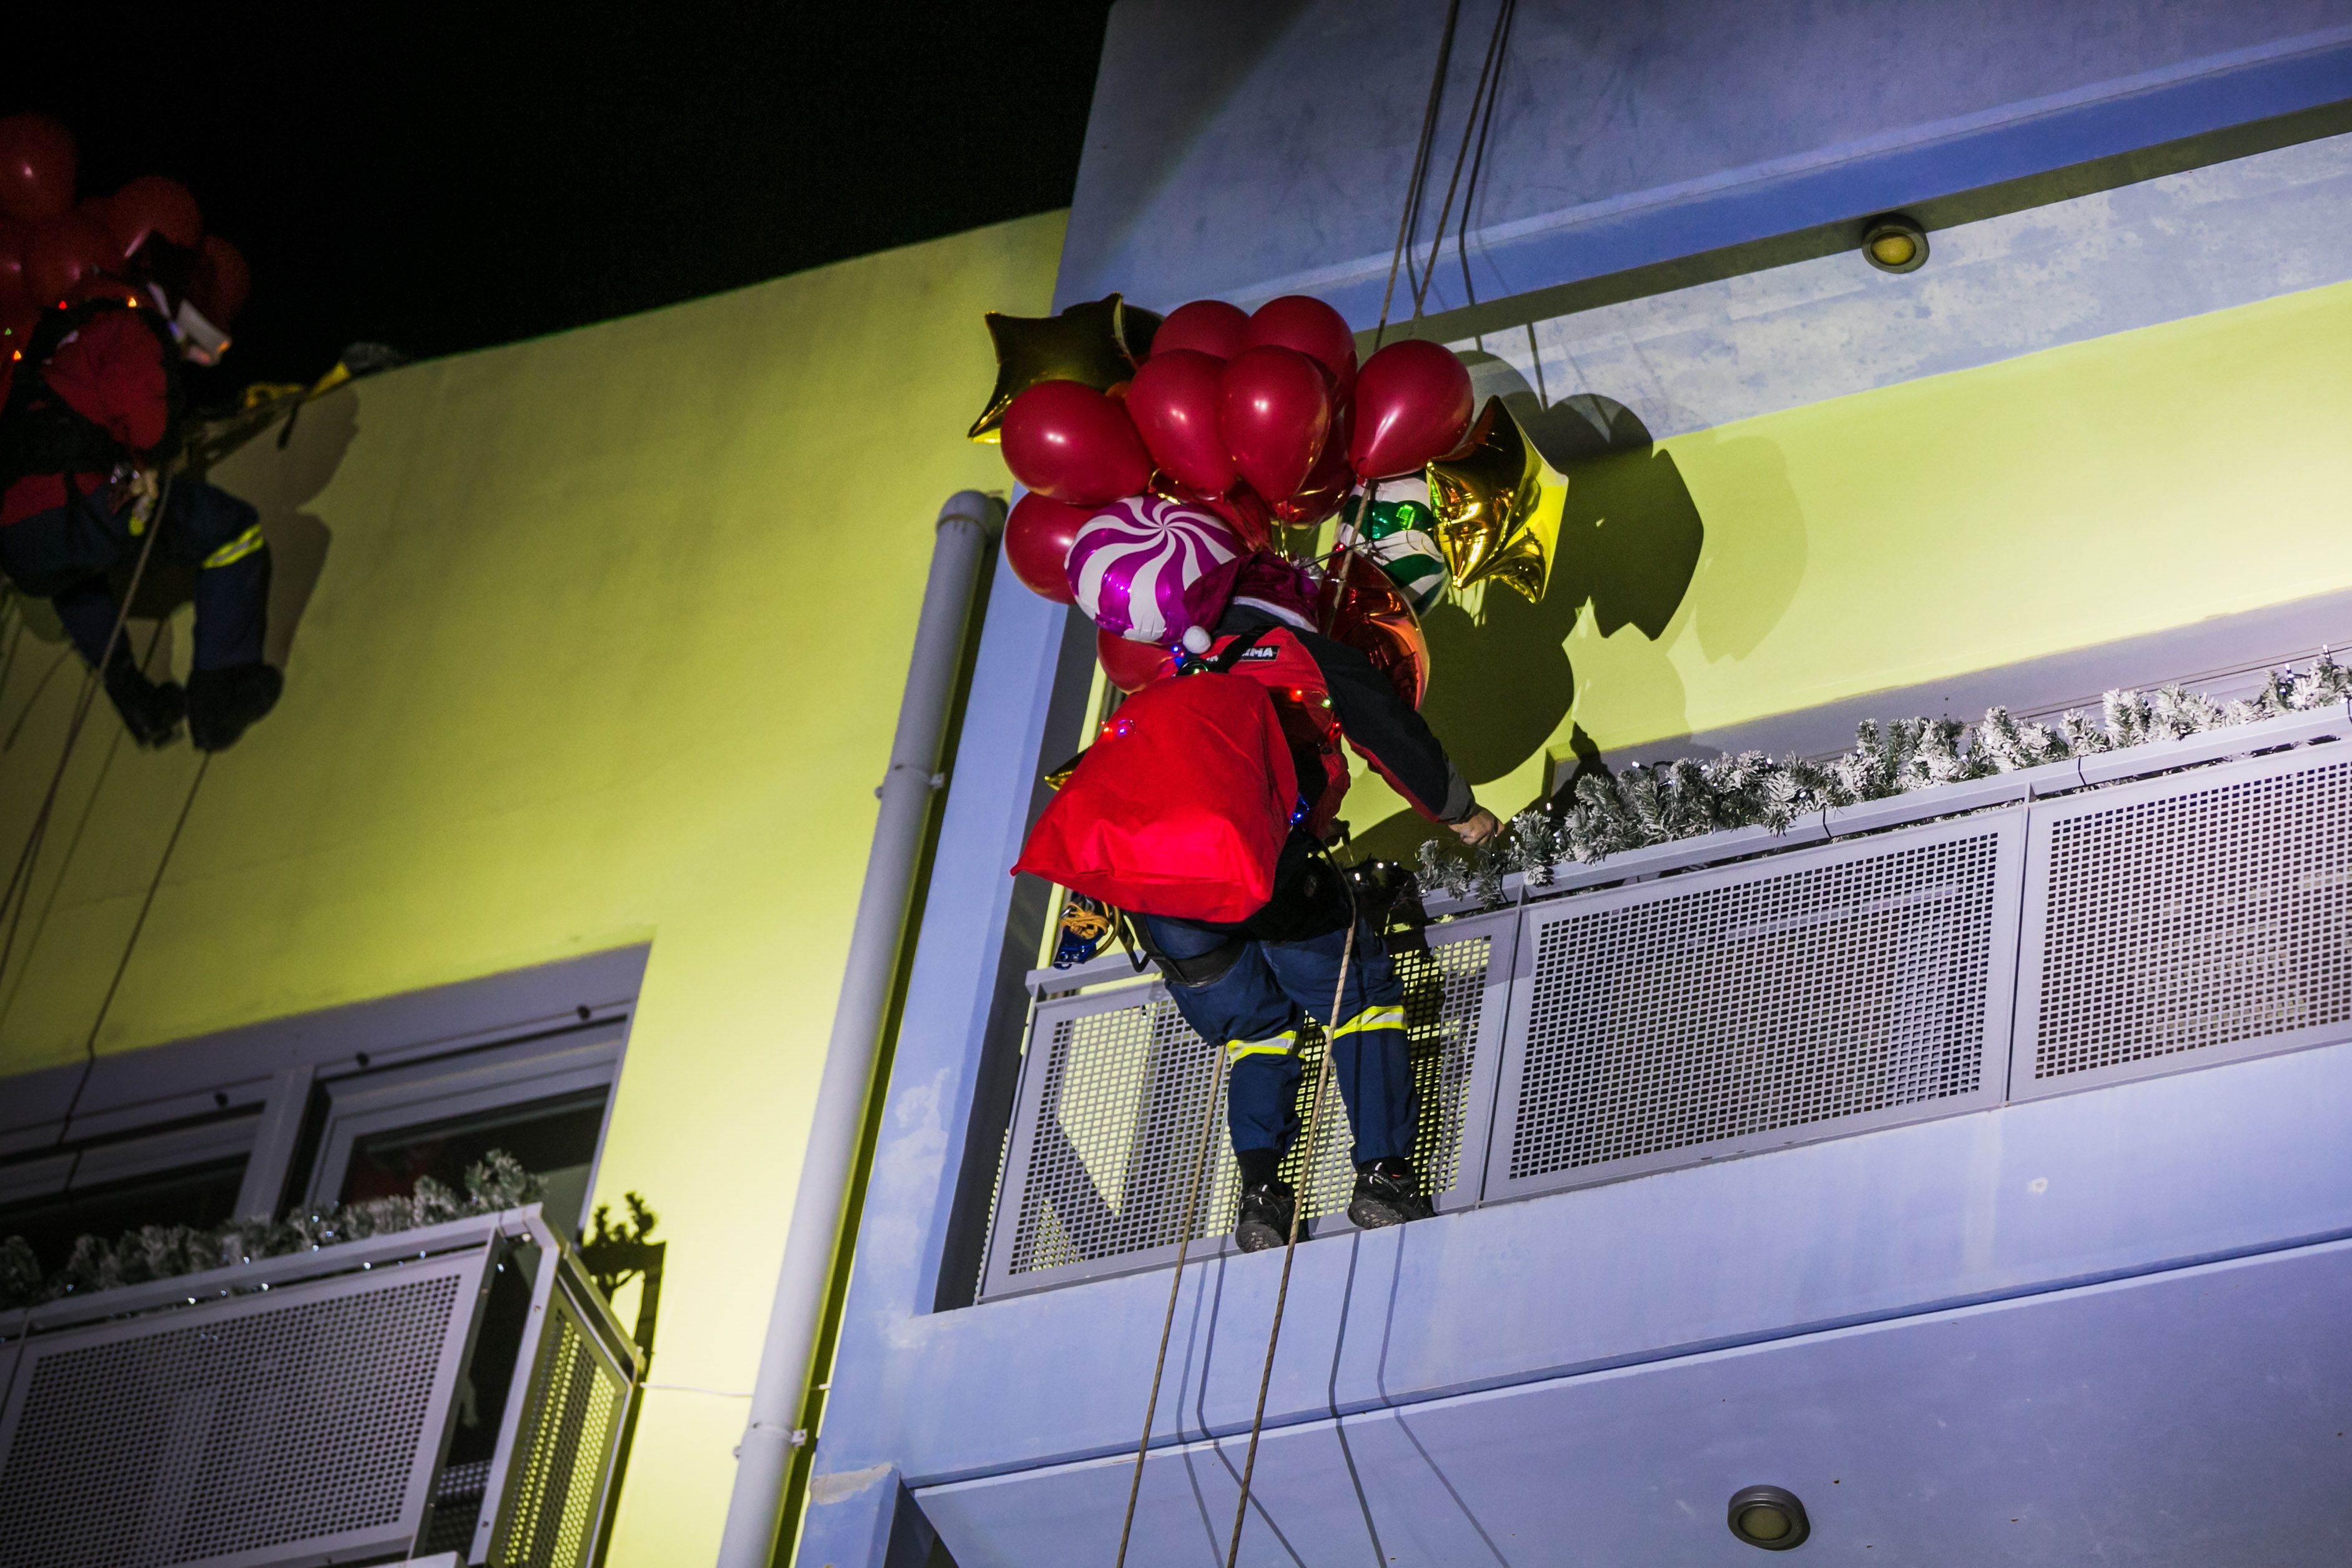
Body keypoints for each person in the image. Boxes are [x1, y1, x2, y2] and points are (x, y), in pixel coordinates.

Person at [1133, 554, 1499, 1251]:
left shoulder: (1175, 677)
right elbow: (1390, 735)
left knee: (1255, 1034)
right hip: (1264, 867)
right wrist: (1460, 815)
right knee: (1358, 1004)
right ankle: (1384, 1175)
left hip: (1164, 902)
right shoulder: (1304, 653)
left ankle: (1263, 1196)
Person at [0, 235, 280, 751]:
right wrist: (159, 445)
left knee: (72, 573)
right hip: (90, 507)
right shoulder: (126, 326)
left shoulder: (45, 341)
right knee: (231, 529)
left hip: (17, 541)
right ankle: (219, 697)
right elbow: (148, 426)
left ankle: (135, 697)